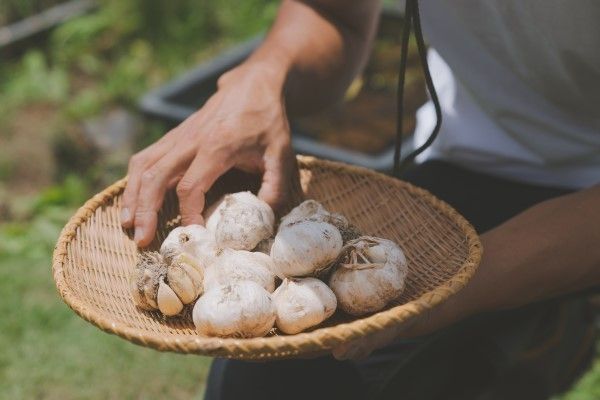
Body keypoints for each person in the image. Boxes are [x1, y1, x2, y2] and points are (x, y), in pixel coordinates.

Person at [120, 1, 600, 398]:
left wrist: (451, 296)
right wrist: (265, 74)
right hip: (471, 153)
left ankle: (559, 321)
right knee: (267, 383)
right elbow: (334, 15)